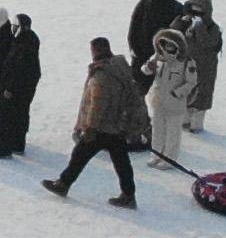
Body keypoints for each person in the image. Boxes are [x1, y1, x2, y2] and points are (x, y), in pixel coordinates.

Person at [40, 39, 148, 207]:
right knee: (121, 161)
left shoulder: (102, 74)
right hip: (118, 124)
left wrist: (90, 127)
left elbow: (98, 104)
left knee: (80, 155)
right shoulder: (120, 67)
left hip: (102, 127)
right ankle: (128, 195)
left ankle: (63, 184)